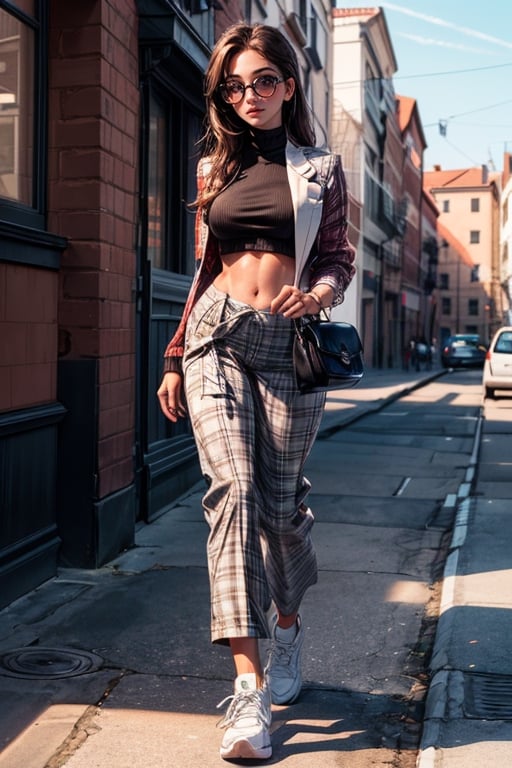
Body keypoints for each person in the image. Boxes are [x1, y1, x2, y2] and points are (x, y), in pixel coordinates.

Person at [157, 22, 356, 761]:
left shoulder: (321, 168)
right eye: (235, 85)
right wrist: (175, 355)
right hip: (216, 337)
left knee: (281, 512)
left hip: (288, 350)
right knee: (232, 493)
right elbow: (204, 271)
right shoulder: (214, 167)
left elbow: (337, 256)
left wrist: (322, 292)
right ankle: (247, 691)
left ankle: (289, 627)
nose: (249, 96)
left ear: (288, 85)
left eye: (263, 81)